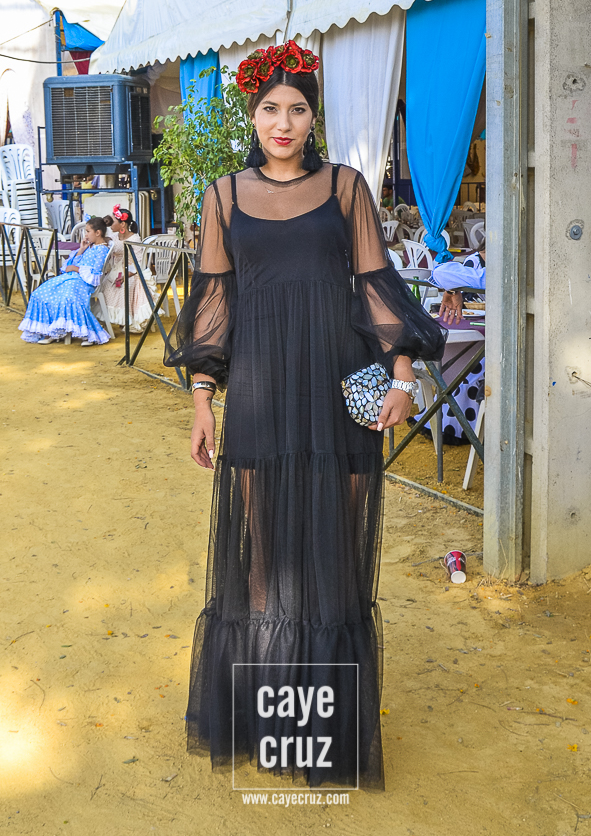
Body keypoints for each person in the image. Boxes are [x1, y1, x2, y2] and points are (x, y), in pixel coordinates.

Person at [164, 41, 445, 790]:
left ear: (313, 117)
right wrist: (202, 400)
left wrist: (403, 374)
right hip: (259, 395)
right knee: (262, 558)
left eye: (296, 109)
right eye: (269, 109)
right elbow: (213, 304)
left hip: (335, 392)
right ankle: (271, 723)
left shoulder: (346, 187)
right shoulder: (223, 196)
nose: (282, 123)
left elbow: (376, 284)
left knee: (334, 557)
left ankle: (324, 730)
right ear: (252, 116)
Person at [408, 231, 486, 444]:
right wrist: (453, 289)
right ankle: (457, 423)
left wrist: (452, 288)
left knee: (473, 366)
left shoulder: (491, 271)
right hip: (486, 328)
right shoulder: (477, 264)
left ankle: (459, 424)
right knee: (469, 364)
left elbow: (443, 272)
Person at [19, 216, 111, 346]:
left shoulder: (102, 250)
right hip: (71, 278)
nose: (85, 235)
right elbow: (70, 264)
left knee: (67, 297)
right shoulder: (90, 247)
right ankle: (51, 331)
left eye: (87, 231)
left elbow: (95, 273)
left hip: (83, 283)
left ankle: (85, 333)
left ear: (98, 233)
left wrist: (75, 268)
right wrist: (81, 249)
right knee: (40, 293)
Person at [94, 206, 159, 334]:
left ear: (122, 224)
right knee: (106, 284)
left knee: (124, 287)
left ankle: (126, 320)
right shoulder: (113, 237)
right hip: (115, 270)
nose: (111, 224)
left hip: (132, 272)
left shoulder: (134, 239)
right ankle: (108, 319)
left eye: (113, 221)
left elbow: (138, 262)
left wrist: (126, 275)